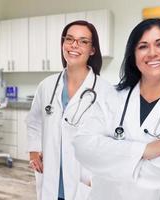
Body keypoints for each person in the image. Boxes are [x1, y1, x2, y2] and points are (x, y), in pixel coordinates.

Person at [73, 18, 160, 200]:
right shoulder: (111, 97)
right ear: (134, 54)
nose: (152, 53)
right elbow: (83, 147)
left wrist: (113, 162)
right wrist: (143, 151)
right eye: (143, 46)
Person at [26, 20, 115, 200]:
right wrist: (34, 150)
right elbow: (33, 121)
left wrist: (96, 177)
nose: (74, 45)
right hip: (50, 178)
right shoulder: (47, 86)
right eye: (69, 39)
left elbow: (114, 140)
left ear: (92, 50)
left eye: (83, 41)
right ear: (62, 44)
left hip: (84, 181)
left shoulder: (106, 91)